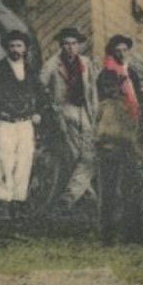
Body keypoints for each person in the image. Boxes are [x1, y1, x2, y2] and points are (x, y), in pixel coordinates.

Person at [0, 30, 43, 220]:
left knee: (23, 163)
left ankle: (19, 204)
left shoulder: (31, 72)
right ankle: (1, 206)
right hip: (4, 122)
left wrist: (38, 113)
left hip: (25, 125)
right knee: (2, 162)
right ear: (6, 48)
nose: (15, 49)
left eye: (19, 46)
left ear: (25, 49)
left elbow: (40, 96)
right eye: (12, 46)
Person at [95, 34, 143, 242]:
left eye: (125, 49)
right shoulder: (107, 75)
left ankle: (132, 231)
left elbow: (137, 100)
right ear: (112, 53)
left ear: (129, 51)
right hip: (112, 134)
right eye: (117, 50)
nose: (122, 53)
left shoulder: (132, 74)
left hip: (129, 134)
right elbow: (114, 98)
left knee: (131, 184)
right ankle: (108, 233)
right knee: (109, 186)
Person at [41, 27, 98, 209]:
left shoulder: (86, 63)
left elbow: (93, 90)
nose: (70, 47)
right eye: (66, 44)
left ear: (79, 45)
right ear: (61, 45)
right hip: (65, 111)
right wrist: (53, 108)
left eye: (74, 44)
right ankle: (80, 196)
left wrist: (95, 112)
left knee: (90, 154)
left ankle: (73, 195)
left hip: (84, 111)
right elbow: (40, 88)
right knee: (75, 155)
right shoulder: (51, 65)